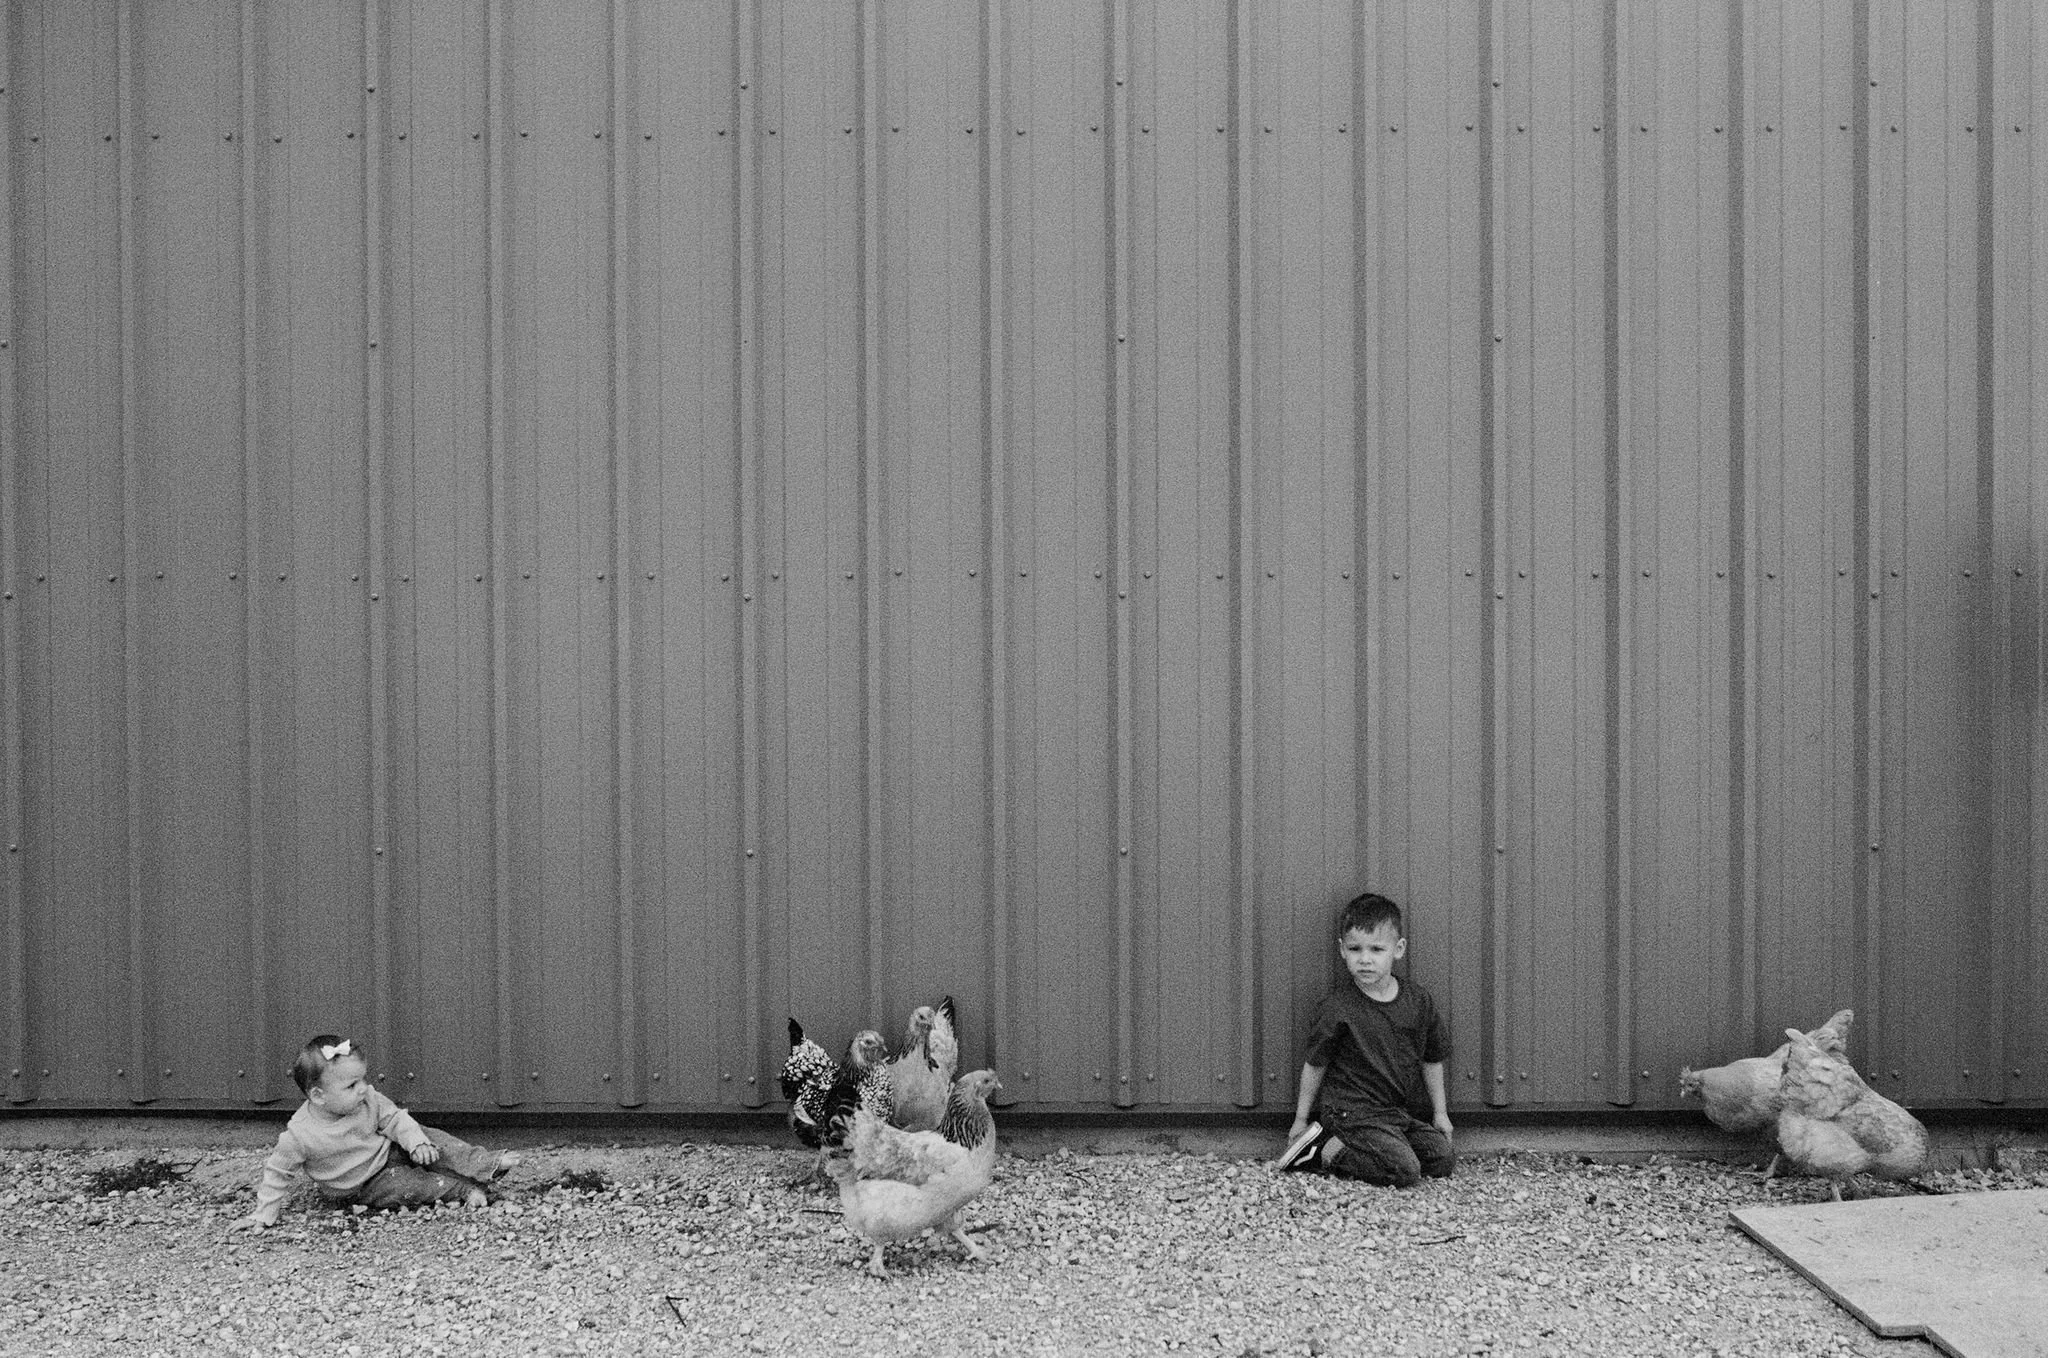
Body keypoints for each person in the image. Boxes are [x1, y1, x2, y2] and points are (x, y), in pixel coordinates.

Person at [230, 1035, 521, 1229]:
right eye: (351, 1085)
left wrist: (416, 1141)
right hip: (363, 1183)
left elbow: (395, 1118)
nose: (363, 1088)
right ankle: (464, 1189)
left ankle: (485, 1164)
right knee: (411, 1185)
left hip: (389, 1150)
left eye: (363, 1079)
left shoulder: (368, 1099)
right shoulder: (299, 1136)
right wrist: (265, 1212)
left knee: (431, 1138)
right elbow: (277, 1173)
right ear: (318, 1096)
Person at [1275, 892, 1454, 1186]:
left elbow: (1431, 1059)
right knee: (1404, 1171)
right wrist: (1300, 1118)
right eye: (1355, 949)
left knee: (1441, 1159)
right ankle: (1323, 1149)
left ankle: (1383, 1148)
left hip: (1393, 1113)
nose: (1365, 960)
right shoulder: (1338, 1007)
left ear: (1398, 949)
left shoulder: (1418, 1001)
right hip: (1350, 1112)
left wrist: (1440, 1114)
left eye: (1376, 949)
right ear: (1342, 950)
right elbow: (1315, 1063)